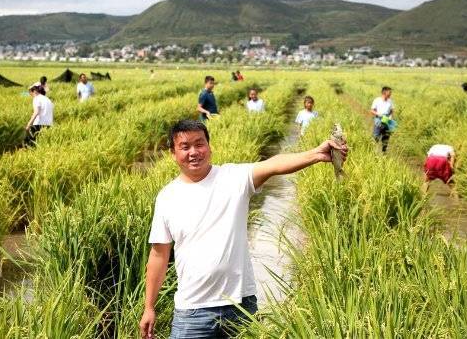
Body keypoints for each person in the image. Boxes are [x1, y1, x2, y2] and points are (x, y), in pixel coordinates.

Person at [139, 120, 348, 339]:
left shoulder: (232, 178)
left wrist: (316, 154)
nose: (194, 152)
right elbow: (158, 255)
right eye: (185, 146)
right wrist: (149, 307)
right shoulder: (167, 197)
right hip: (192, 311)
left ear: (209, 147)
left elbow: (274, 164)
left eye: (199, 144)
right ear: (173, 153)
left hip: (240, 306)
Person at [370, 86, 395, 152]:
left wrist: (391, 117)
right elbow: (372, 110)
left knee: (386, 138)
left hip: (387, 121)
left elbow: (392, 110)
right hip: (379, 120)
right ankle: (372, 152)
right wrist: (378, 114)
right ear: (384, 92)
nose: (390, 94)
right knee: (376, 137)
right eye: (389, 92)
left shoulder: (390, 101)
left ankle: (384, 152)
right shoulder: (377, 100)